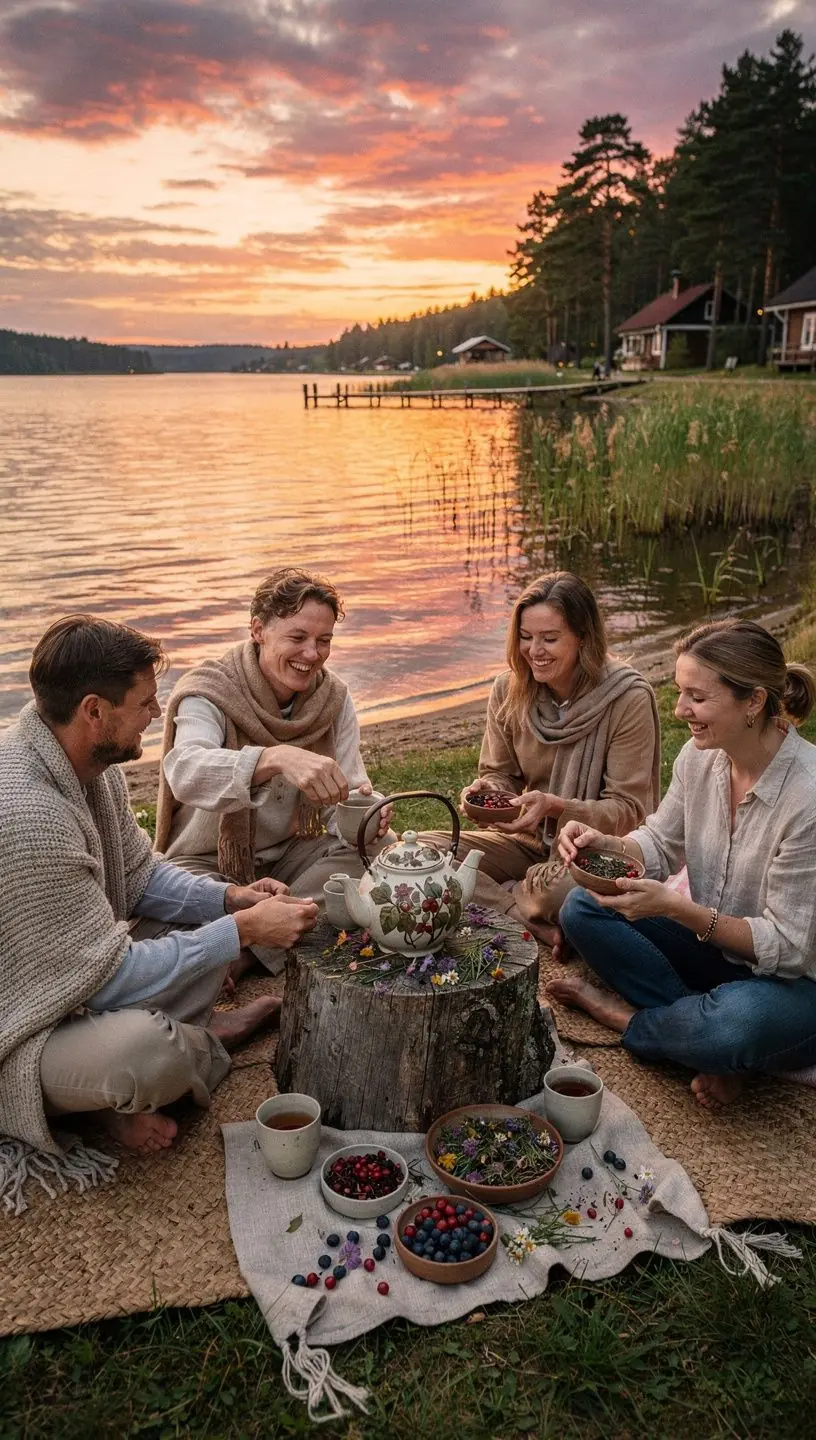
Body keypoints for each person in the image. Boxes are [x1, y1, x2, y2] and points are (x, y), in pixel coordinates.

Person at [0, 616, 318, 1159]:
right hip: (24, 1027)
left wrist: (229, 900)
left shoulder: (92, 765)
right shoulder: (33, 815)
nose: (156, 713)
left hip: (75, 975)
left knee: (197, 913)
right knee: (149, 1054)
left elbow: (140, 874)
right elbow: (107, 982)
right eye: (145, 703)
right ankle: (196, 1047)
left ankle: (183, 1033)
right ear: (94, 710)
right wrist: (238, 932)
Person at [549, 619, 816, 1109]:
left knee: (739, 1025)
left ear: (753, 701)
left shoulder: (809, 797)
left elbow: (791, 949)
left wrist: (676, 909)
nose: (679, 710)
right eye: (679, 692)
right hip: (718, 953)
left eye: (696, 696)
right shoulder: (699, 759)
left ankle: (634, 1022)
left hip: (794, 988)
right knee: (581, 907)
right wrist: (604, 843)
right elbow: (659, 842)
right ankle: (702, 1038)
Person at [154, 568, 392, 969]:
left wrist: (368, 814)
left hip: (292, 860)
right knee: (159, 909)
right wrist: (274, 757)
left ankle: (246, 950)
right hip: (208, 863)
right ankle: (264, 929)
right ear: (258, 630)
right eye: (297, 638)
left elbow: (345, 796)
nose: (312, 655)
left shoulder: (333, 698)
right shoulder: (210, 689)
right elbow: (185, 771)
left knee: (381, 855)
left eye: (324, 641)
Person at [423, 572, 660, 955]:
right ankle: (521, 913)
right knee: (423, 851)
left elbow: (631, 811)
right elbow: (499, 774)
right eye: (526, 637)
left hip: (589, 850)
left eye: (550, 638)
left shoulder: (627, 699)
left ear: (583, 637)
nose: (535, 651)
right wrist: (489, 793)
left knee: (561, 894)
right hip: (526, 841)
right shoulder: (509, 688)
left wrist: (557, 807)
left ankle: (517, 898)